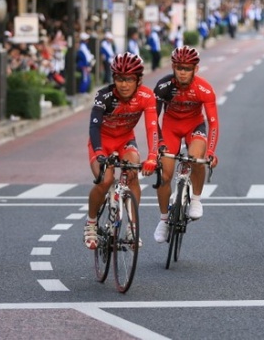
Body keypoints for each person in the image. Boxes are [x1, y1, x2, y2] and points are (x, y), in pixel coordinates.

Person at [83, 53, 159, 249]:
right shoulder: (104, 96)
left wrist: (152, 156)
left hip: (125, 140)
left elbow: (152, 127)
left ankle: (131, 227)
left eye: (129, 80)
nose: (123, 85)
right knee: (105, 179)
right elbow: (93, 127)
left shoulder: (146, 96)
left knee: (132, 172)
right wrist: (99, 152)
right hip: (102, 141)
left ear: (139, 80)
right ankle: (91, 224)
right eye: (119, 79)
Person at [152, 46, 219, 243]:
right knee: (164, 176)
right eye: (179, 67)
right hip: (170, 128)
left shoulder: (204, 88)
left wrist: (212, 151)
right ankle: (164, 220)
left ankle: (196, 200)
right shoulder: (163, 86)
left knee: (197, 159)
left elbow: (213, 122)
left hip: (194, 126)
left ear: (195, 69)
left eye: (187, 68)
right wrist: (159, 143)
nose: (182, 72)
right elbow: (152, 120)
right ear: (173, 67)